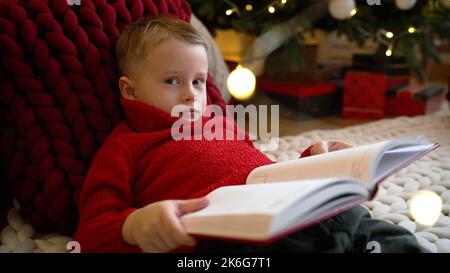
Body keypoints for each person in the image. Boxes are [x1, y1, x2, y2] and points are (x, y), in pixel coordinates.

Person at [73, 15, 425, 253]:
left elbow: (264, 173)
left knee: (386, 237)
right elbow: (91, 229)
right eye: (172, 81)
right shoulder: (126, 144)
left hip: (302, 208)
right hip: (240, 236)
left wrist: (314, 162)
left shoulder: (220, 122)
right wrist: (134, 226)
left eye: (198, 81)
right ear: (129, 90)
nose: (190, 94)